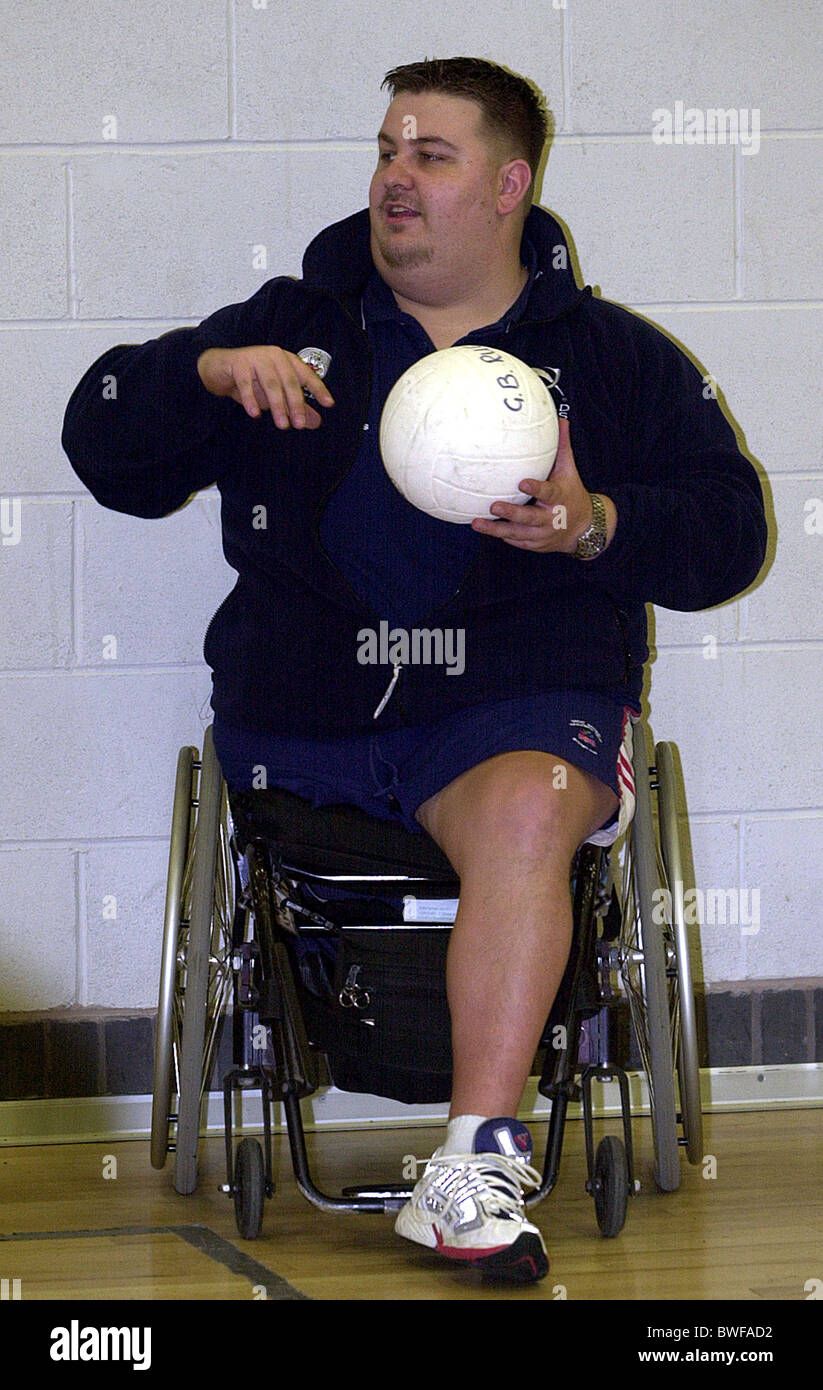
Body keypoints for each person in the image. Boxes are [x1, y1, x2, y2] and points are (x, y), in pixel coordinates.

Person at [63, 57, 767, 1284]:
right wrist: (201, 373)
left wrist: (596, 520)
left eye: (431, 155)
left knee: (528, 802)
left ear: (509, 185)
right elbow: (104, 441)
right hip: (308, 710)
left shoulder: (606, 357)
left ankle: (469, 1171)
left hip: (514, 711)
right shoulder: (288, 327)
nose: (396, 177)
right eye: (388, 149)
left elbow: (728, 530)